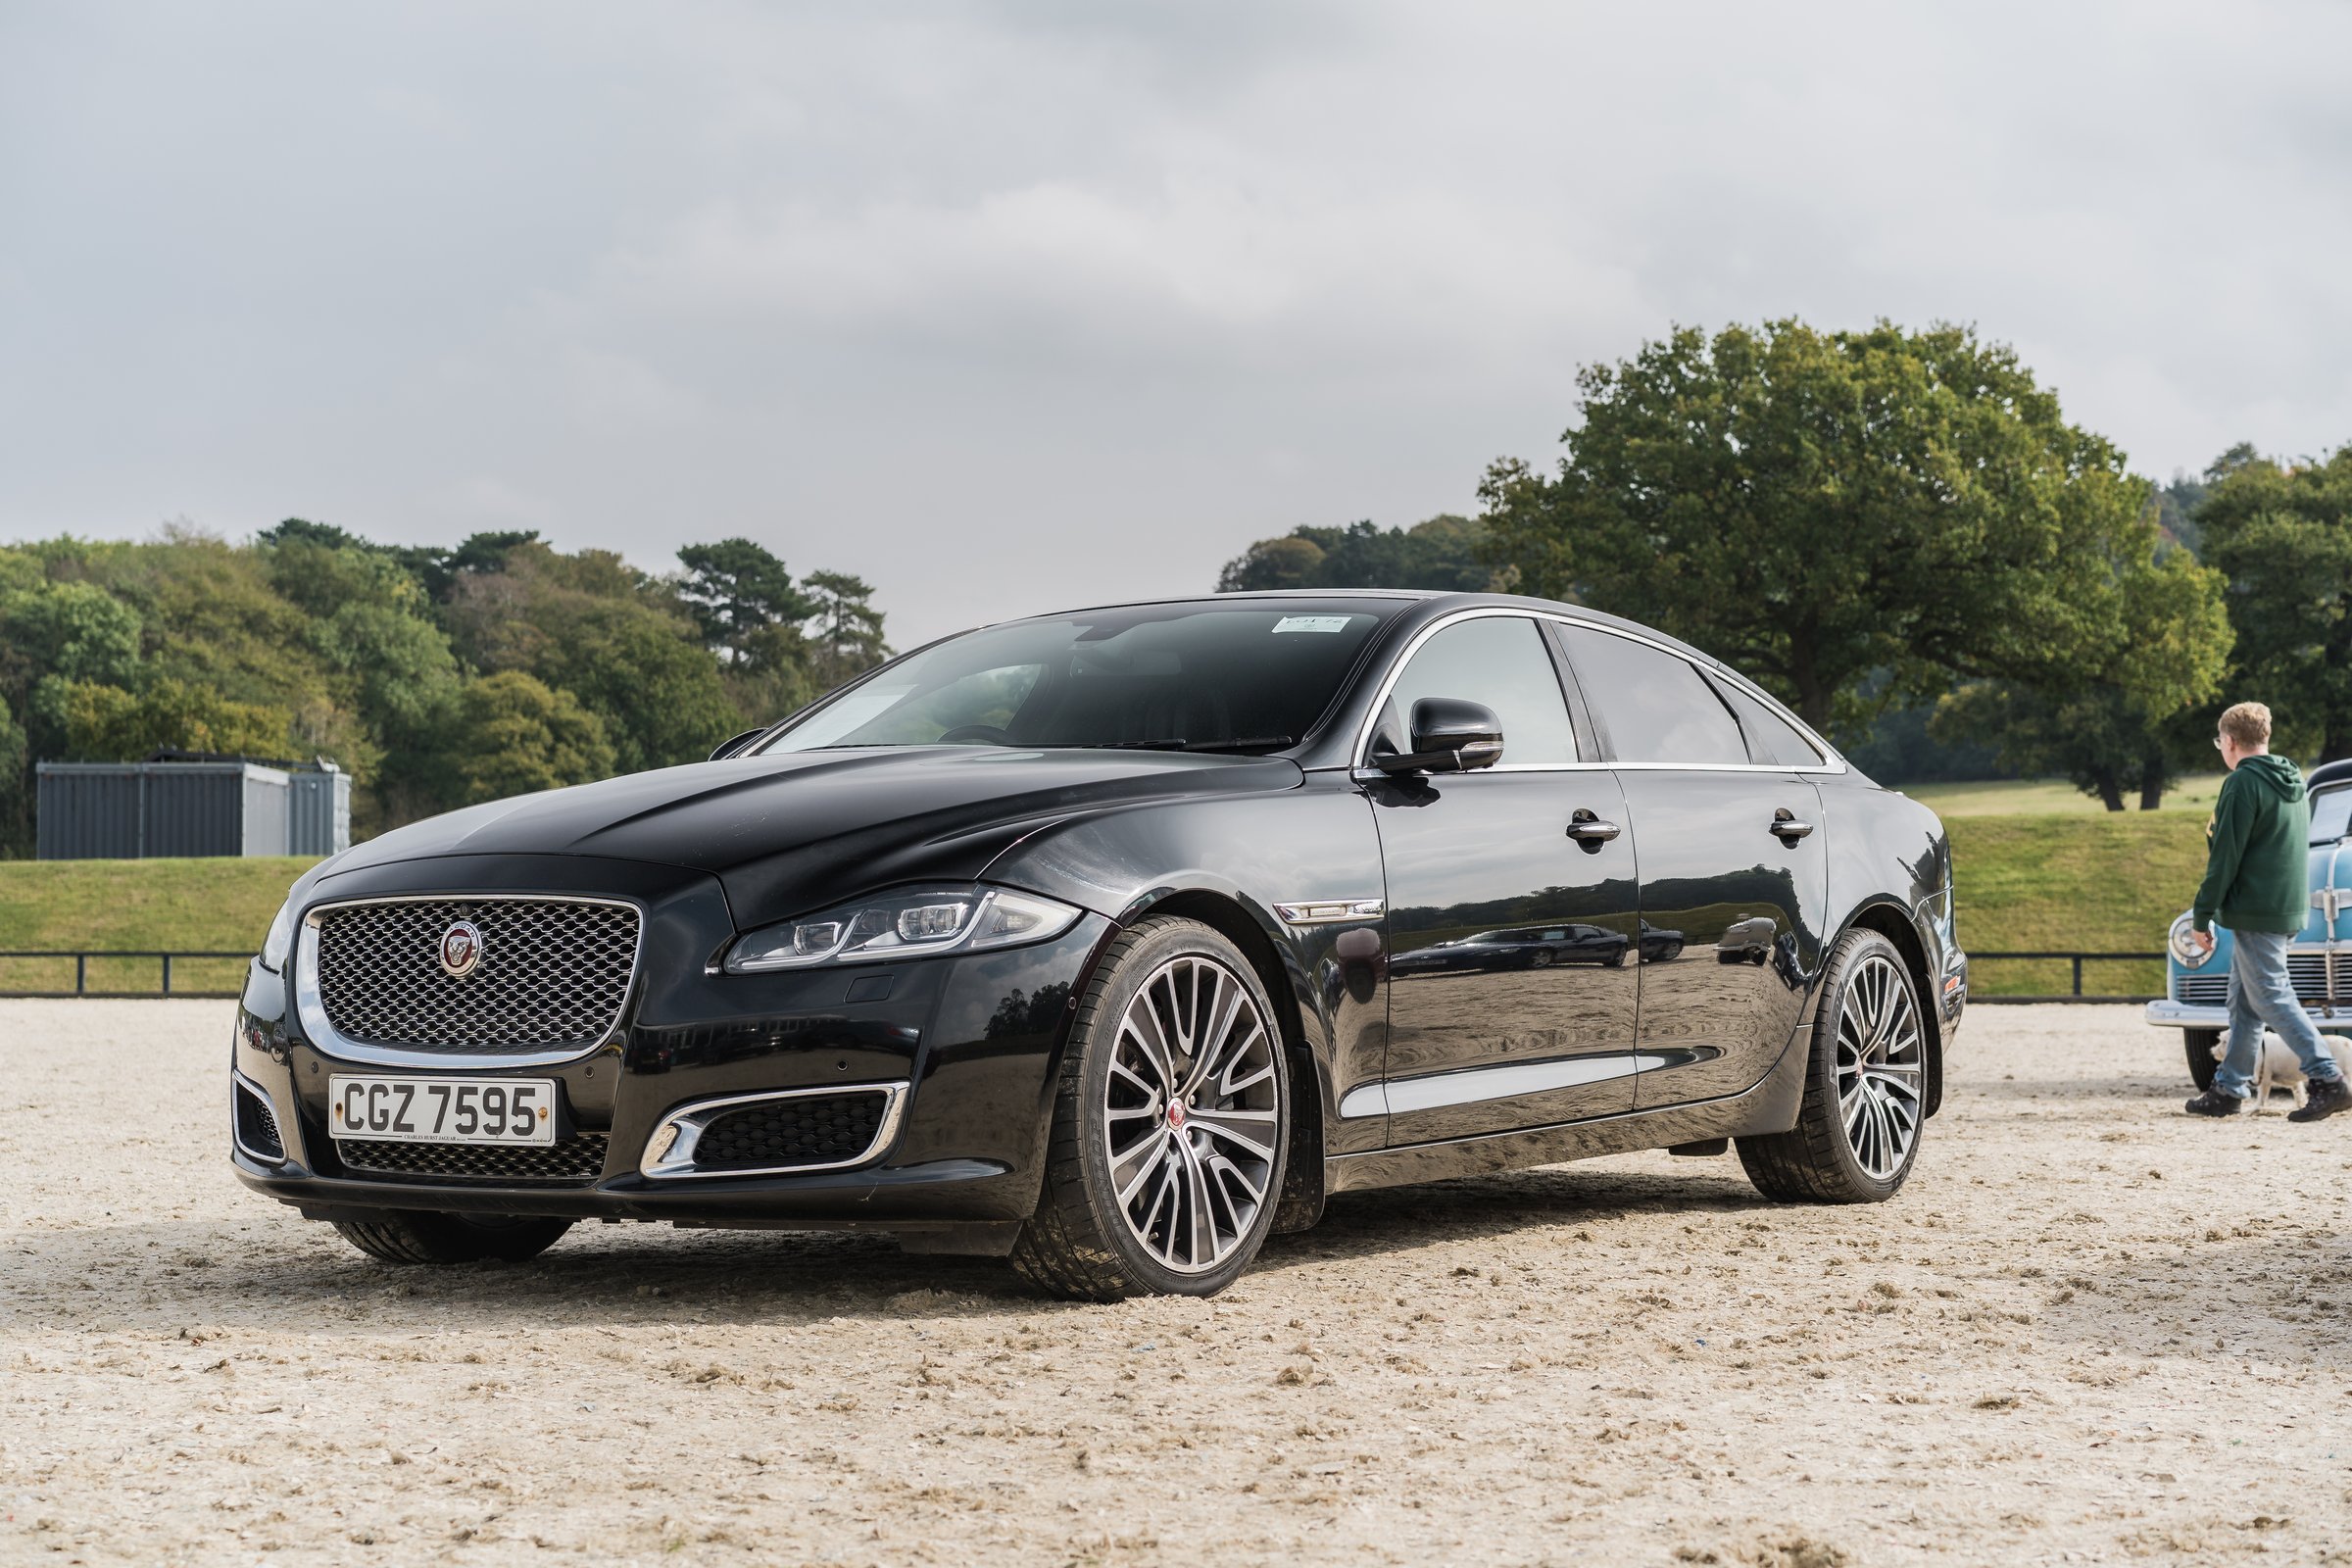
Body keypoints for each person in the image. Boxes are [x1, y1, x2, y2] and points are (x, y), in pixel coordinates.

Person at [2183, 701, 2349, 1121]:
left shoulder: (2242, 784)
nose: (2220, 748)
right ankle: (2229, 1088)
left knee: (2271, 995)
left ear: (2231, 742)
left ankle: (2328, 1078)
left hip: (2256, 908)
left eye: (2219, 741)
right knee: (2244, 1002)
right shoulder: (2293, 779)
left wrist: (2202, 913)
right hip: (2286, 906)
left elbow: (2226, 856)